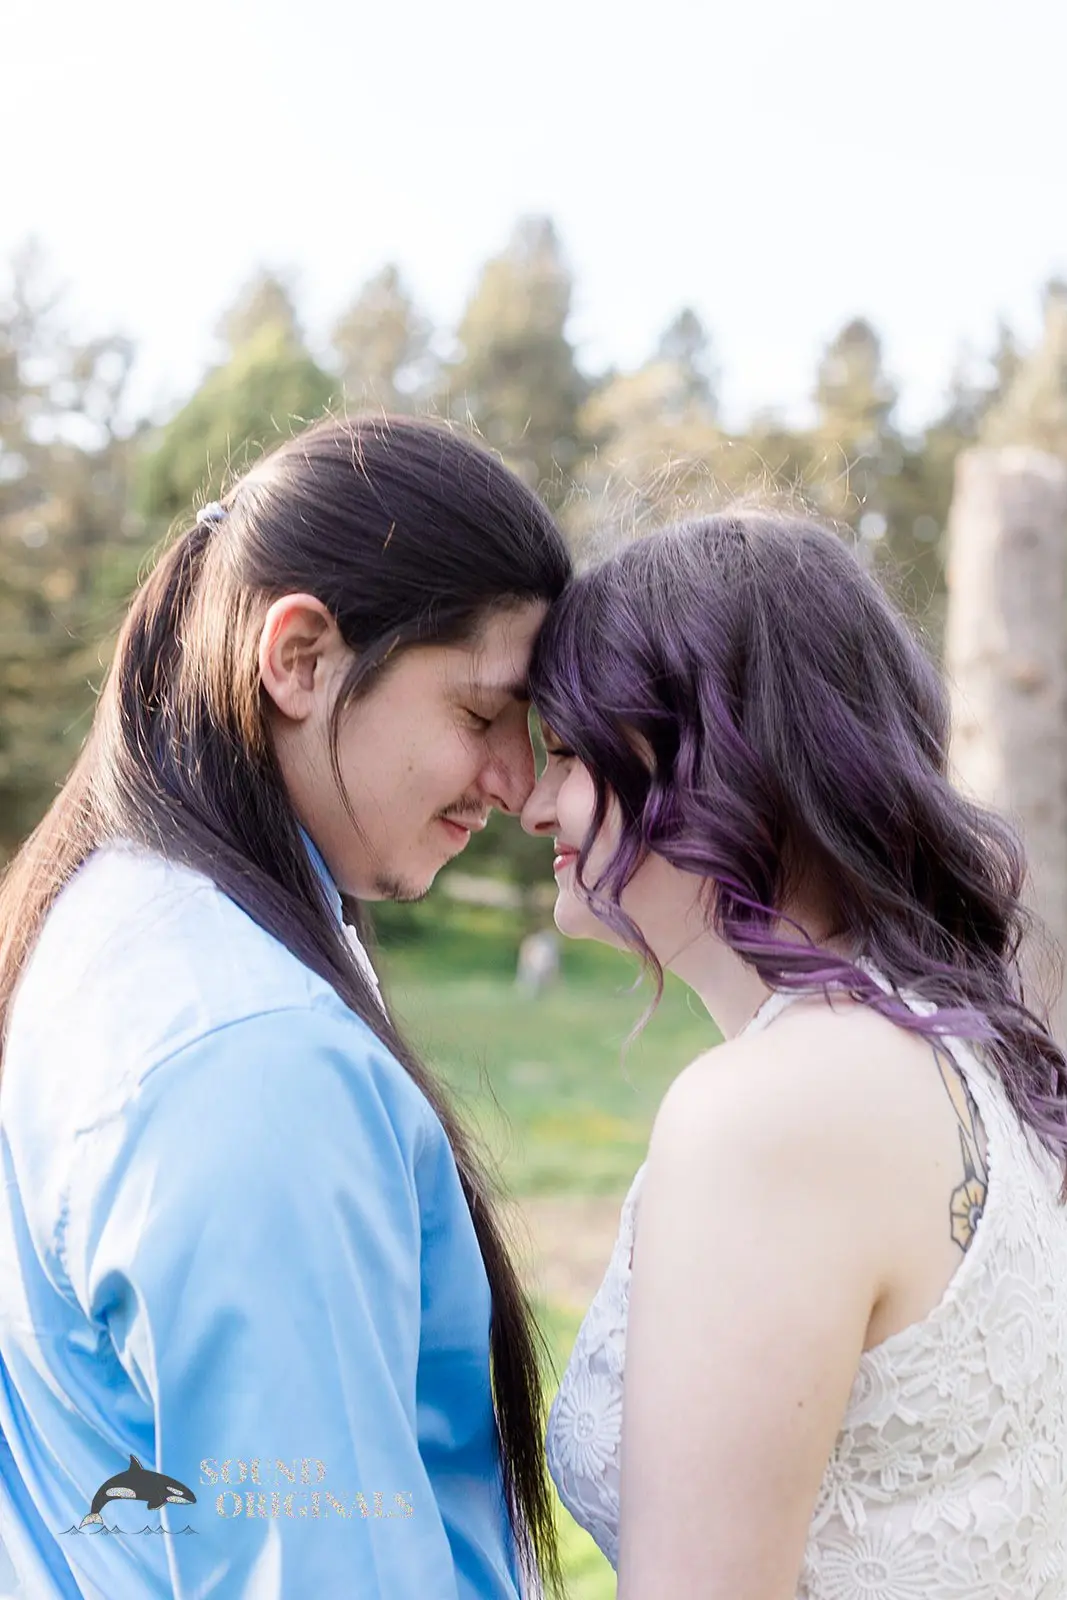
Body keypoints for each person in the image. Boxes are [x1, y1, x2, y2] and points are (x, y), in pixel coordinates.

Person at [0, 414, 571, 1599]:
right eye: (480, 716)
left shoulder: (119, 921)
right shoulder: (248, 1056)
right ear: (300, 657)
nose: (517, 784)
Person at [520, 510, 1067, 1599]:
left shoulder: (773, 1111)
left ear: (720, 757)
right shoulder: (960, 1048)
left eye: (570, 753)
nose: (535, 803)